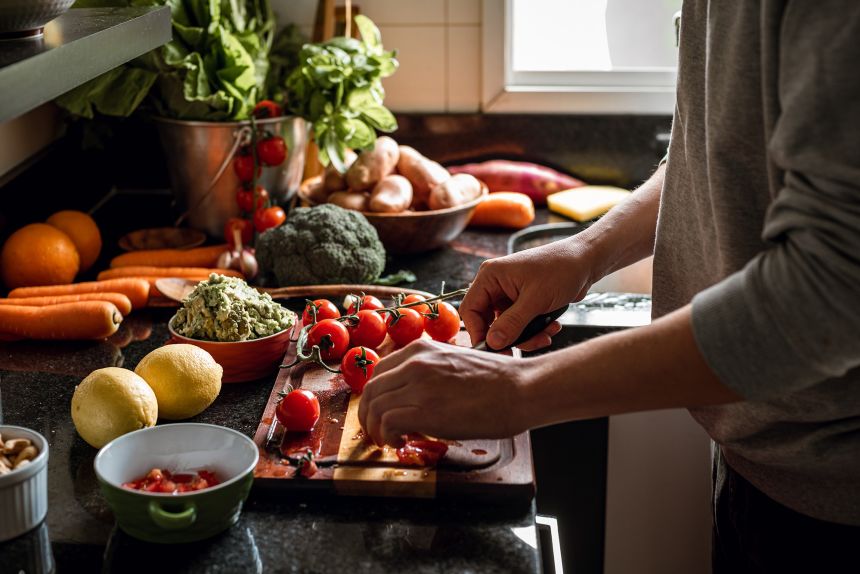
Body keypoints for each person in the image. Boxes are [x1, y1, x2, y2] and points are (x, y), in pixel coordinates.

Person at [359, 1, 860, 571]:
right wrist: (584, 253)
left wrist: (519, 389)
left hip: (838, 509)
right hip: (765, 460)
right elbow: (718, 150)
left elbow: (833, 289)